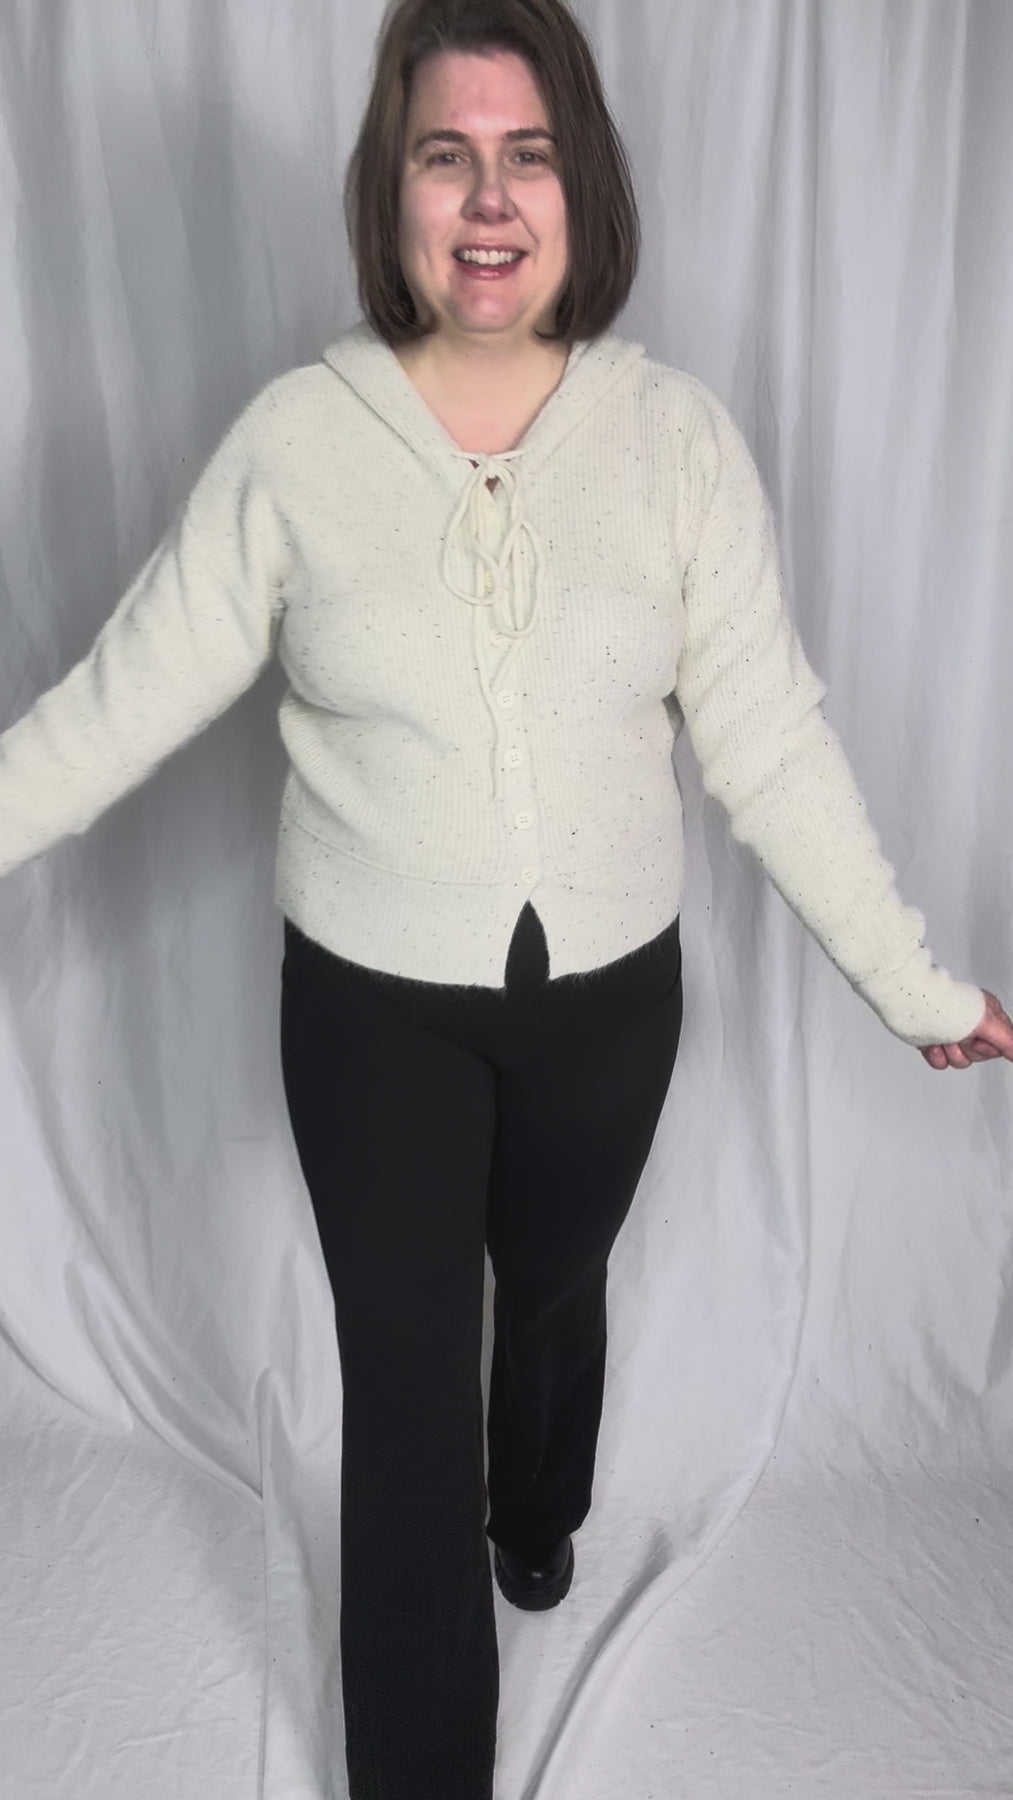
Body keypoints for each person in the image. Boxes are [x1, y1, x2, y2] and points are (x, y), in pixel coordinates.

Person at [1, 0, 1010, 1794]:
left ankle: (538, 1503)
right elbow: (112, 705)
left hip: (607, 1005)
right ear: (388, 193)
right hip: (366, 1010)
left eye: (526, 156)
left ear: (580, 186)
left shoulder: (675, 442)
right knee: (404, 1397)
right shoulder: (295, 445)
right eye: (444, 156)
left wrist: (909, 981)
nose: (486, 200)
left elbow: (769, 742)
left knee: (548, 1290)